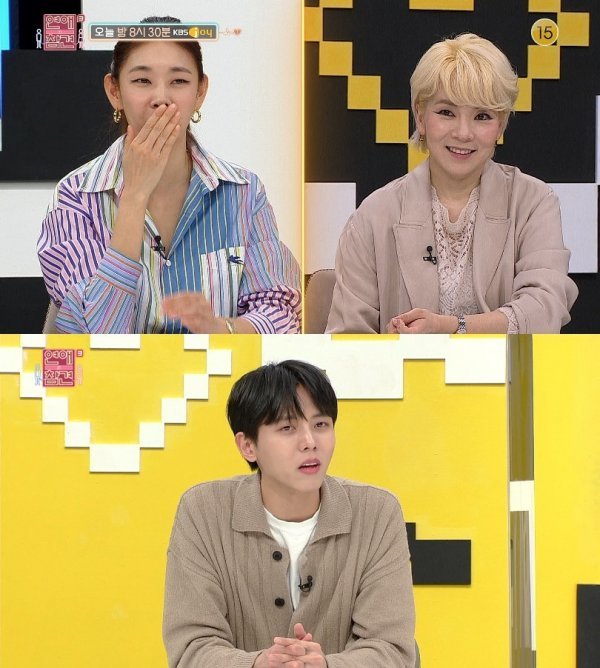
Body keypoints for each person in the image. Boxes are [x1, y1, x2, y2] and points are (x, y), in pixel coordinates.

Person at [37, 17, 301, 334]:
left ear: (200, 92)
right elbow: (96, 333)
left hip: (218, 367)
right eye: (142, 81)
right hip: (115, 368)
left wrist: (222, 329)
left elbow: (281, 317)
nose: (161, 97)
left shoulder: (243, 192)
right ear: (114, 91)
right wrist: (134, 197)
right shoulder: (76, 196)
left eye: (178, 81)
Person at [163, 360, 416, 667]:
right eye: (287, 428)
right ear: (248, 446)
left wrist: (326, 666)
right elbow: (191, 648)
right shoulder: (202, 512)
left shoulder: (378, 513)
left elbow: (391, 648)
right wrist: (258, 664)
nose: (310, 442)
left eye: (320, 425)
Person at [326, 33, 577, 334]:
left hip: (508, 368)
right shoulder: (373, 215)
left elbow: (544, 309)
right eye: (446, 112)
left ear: (500, 125)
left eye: (482, 116)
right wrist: (388, 349)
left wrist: (451, 328)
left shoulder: (533, 202)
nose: (463, 133)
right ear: (420, 116)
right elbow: (348, 339)